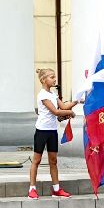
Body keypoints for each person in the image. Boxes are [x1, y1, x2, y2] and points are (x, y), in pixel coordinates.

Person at [28, 68, 76, 199]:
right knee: (36, 160)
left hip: (52, 131)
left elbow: (64, 107)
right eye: (52, 77)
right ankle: (32, 189)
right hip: (42, 131)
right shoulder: (42, 95)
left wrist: (78, 101)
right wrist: (69, 113)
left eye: (55, 77)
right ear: (44, 80)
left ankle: (56, 189)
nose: (55, 79)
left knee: (53, 161)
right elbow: (56, 111)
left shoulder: (53, 93)